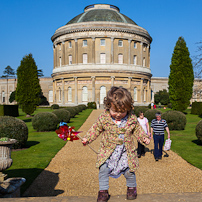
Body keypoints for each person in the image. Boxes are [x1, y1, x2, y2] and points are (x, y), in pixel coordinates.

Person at [82, 86, 150, 202]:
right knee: (103, 169)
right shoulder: (104, 118)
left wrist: (144, 138)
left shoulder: (132, 118)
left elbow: (137, 130)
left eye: (122, 111)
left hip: (125, 152)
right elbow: (95, 128)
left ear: (128, 108)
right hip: (108, 151)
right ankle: (103, 191)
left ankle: (131, 189)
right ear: (108, 106)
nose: (118, 114)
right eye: (115, 111)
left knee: (129, 171)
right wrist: (87, 138)